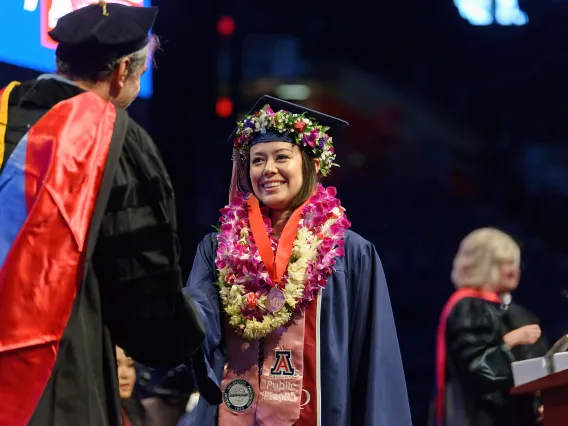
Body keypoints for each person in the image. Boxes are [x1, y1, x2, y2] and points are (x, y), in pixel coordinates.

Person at [0, 3, 204, 425]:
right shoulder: (115, 138)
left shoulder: (5, 113)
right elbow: (143, 287)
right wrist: (189, 331)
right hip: (57, 373)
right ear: (121, 71)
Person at [179, 96, 412, 426]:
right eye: (258, 160)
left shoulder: (349, 253)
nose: (268, 169)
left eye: (281, 157)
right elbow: (200, 318)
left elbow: (373, 360)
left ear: (311, 164)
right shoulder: (218, 248)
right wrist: (175, 309)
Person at [431, 228, 549, 426]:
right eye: (504, 263)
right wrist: (511, 341)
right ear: (482, 265)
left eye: (515, 263)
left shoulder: (518, 313)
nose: (514, 270)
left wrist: (543, 400)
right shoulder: (468, 309)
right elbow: (477, 371)